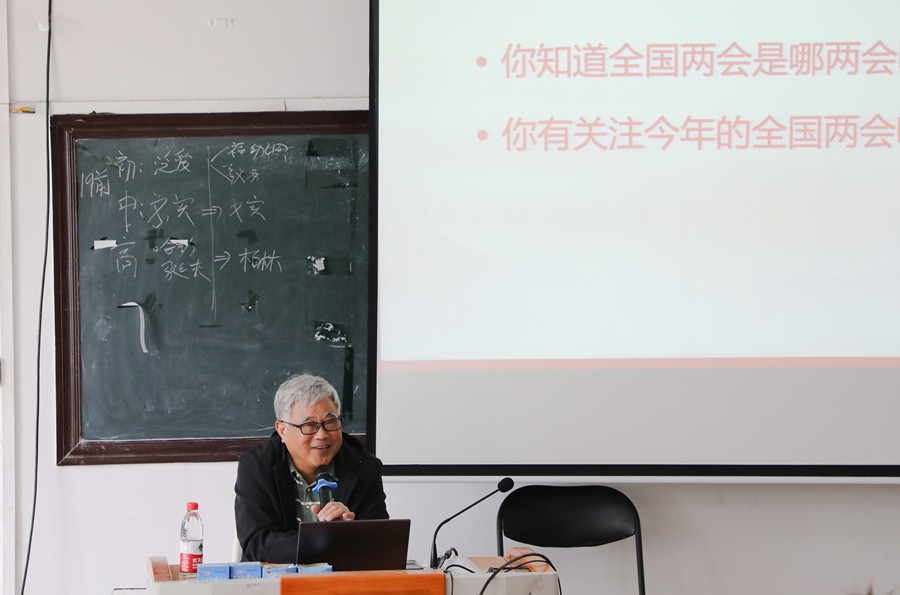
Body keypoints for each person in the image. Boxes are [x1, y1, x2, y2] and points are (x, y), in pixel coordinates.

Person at [234, 374, 388, 562]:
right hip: (276, 578)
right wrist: (325, 540)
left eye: (330, 422)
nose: (322, 435)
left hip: (341, 578)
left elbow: (380, 544)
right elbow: (257, 544)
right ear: (282, 430)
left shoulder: (364, 467)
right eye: (309, 425)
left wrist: (350, 529)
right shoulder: (256, 467)